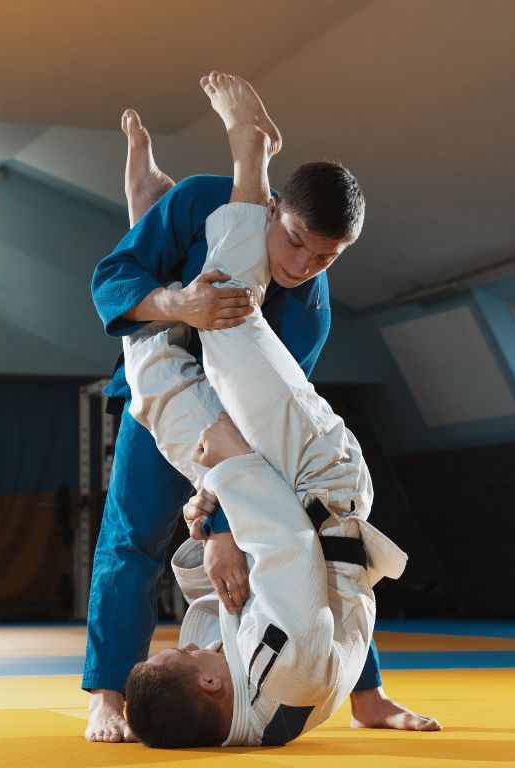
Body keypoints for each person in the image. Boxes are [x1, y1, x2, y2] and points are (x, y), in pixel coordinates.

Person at [86, 71, 438, 742]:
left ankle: (368, 694)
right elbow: (114, 279)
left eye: (327, 257)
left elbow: (260, 440)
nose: (305, 265)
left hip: (234, 437)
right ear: (271, 207)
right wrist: (174, 303)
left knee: (296, 553)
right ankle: (106, 693)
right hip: (171, 348)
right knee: (130, 538)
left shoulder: (310, 313)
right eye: (297, 240)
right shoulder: (200, 201)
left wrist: (216, 522)